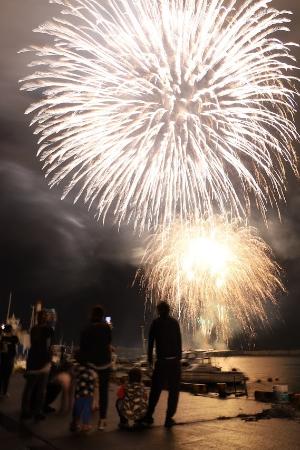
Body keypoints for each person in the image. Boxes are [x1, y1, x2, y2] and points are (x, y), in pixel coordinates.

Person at [143, 301, 182, 428]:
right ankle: (168, 418)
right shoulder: (174, 323)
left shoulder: (155, 323)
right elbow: (179, 341)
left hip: (161, 361)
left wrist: (150, 359)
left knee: (155, 390)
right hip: (174, 362)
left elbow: (150, 343)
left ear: (158, 310)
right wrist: (178, 357)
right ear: (169, 310)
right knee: (174, 391)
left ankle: (149, 415)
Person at [80, 305, 112, 430]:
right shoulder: (106, 328)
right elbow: (109, 342)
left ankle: (85, 421)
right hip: (105, 364)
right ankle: (102, 420)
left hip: (91, 364)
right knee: (104, 393)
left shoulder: (86, 329)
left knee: (87, 392)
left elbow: (83, 348)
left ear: (92, 315)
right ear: (102, 316)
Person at [21, 310, 55, 421]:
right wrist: (49, 360)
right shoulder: (47, 329)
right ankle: (37, 411)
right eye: (45, 316)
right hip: (42, 362)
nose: (46, 318)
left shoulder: (34, 329)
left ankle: (26, 411)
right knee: (40, 389)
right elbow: (49, 346)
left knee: (30, 388)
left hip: (33, 361)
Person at [69, 353, 97, 433]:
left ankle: (75, 423)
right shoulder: (90, 370)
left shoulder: (76, 368)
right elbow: (94, 379)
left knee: (77, 408)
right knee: (87, 409)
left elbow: (72, 376)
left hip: (78, 393)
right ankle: (85, 425)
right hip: (88, 393)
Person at [0, 324, 19, 397]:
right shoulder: (14, 338)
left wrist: (2, 327)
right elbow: (17, 341)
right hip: (9, 360)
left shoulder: (3, 338)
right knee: (6, 377)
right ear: (11, 330)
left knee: (1, 377)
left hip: (3, 360)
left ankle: (2, 392)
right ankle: (4, 392)